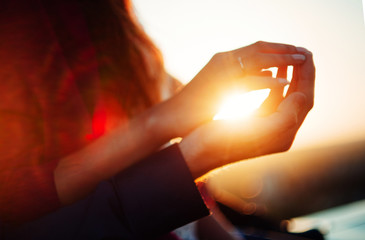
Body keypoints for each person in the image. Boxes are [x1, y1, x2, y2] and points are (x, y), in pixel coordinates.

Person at [0, 0, 315, 239]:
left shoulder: (118, 22)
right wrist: (176, 133)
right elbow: (17, 203)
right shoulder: (24, 22)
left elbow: (192, 206)